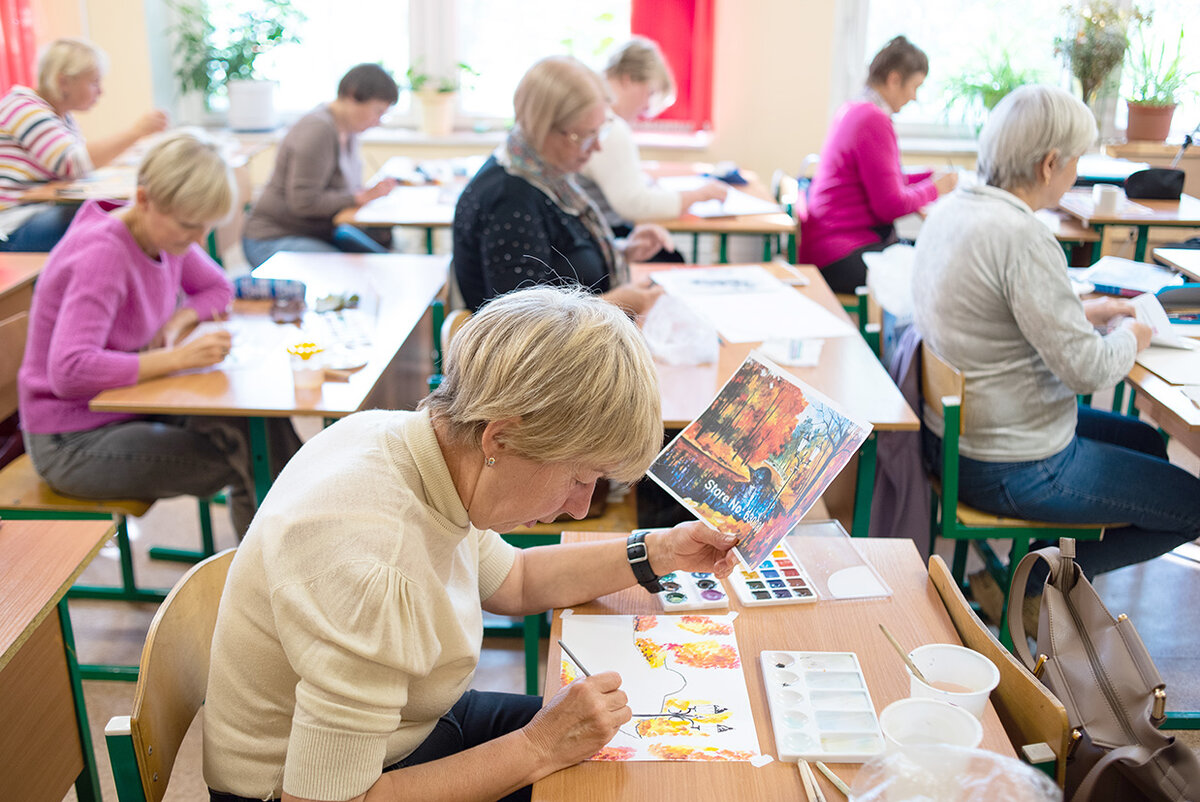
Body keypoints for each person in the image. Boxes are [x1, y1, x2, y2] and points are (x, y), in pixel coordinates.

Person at [202, 286, 738, 802]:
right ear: (500, 438)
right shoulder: (375, 568)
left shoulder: (408, 444)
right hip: (312, 785)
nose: (580, 506)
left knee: (641, 758)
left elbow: (517, 580)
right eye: (580, 477)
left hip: (407, 729)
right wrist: (538, 747)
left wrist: (662, 551)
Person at [912, 85, 1200, 615]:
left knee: (1143, 441)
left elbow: (995, 318)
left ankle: (1052, 577)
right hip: (1012, 463)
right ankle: (1036, 585)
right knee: (1195, 507)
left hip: (956, 439)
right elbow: (1088, 371)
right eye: (1076, 162)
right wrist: (1132, 335)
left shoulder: (954, 209)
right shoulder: (1023, 236)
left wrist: (1085, 315)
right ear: (1050, 164)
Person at [18, 132, 300, 537]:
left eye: (205, 227)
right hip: (72, 439)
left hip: (130, 403)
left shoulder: (161, 235)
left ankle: (294, 552)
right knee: (253, 463)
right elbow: (70, 370)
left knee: (259, 427)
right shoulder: (104, 254)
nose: (198, 241)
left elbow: (218, 287)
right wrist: (177, 358)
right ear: (145, 199)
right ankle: (265, 583)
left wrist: (176, 321)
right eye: (189, 226)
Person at [453, 55, 673, 314]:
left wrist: (621, 251)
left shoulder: (548, 177)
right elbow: (523, 325)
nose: (598, 146)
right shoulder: (510, 202)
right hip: (547, 352)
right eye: (584, 135)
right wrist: (617, 303)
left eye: (600, 131)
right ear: (543, 127)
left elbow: (560, 259)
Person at [799, 35, 956, 294]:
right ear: (894, 79)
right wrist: (935, 188)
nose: (914, 97)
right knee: (942, 264)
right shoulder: (874, 119)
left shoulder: (854, 109)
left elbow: (884, 179)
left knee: (930, 253)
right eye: (914, 87)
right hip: (841, 254)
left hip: (828, 246)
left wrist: (928, 177)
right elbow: (890, 205)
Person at [0, 37, 168, 251]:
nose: (100, 91)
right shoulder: (23, 108)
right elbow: (72, 163)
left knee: (131, 213)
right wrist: (136, 132)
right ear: (63, 82)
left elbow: (78, 165)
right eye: (94, 82)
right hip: (14, 225)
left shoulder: (60, 116)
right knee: (124, 219)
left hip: (40, 213)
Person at [242, 63, 400, 268]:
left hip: (316, 233)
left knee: (384, 263)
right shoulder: (318, 130)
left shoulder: (348, 130)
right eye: (377, 111)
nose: (378, 121)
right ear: (352, 96)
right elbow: (303, 202)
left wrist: (364, 195)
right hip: (273, 238)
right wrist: (358, 197)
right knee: (351, 272)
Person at [577, 37, 726, 237]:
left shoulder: (597, 117)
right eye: (650, 92)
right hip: (606, 235)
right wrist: (699, 195)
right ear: (627, 79)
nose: (647, 107)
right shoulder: (610, 128)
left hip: (595, 232)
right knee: (671, 257)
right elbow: (635, 204)